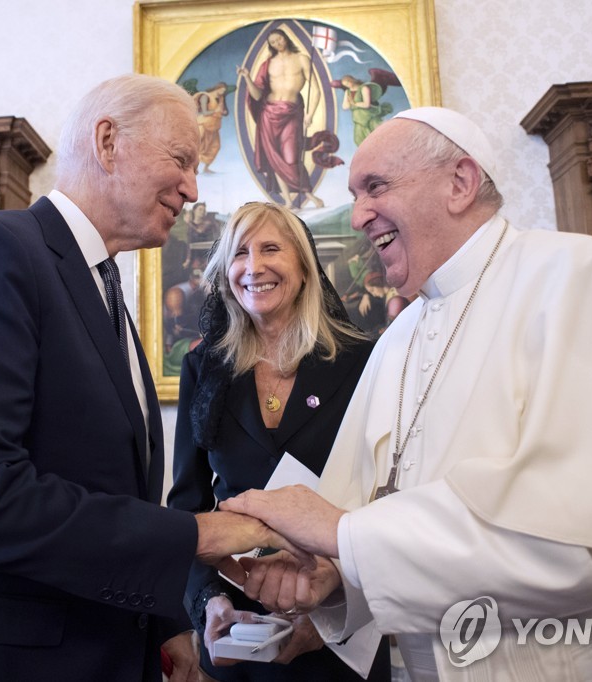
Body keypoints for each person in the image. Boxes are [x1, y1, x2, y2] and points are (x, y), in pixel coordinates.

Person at [221, 107, 592, 680]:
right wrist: (337, 577)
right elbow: (378, 521)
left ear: (460, 182)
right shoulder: (396, 339)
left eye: (375, 186)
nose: (359, 215)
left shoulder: (584, 278)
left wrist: (345, 536)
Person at [0, 74, 302, 682]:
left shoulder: (107, 293)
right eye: (180, 160)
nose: (193, 188)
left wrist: (164, 623)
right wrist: (194, 534)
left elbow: (106, 491)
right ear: (107, 142)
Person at [167, 201, 390, 681]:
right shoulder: (203, 369)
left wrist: (334, 606)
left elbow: (387, 494)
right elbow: (188, 504)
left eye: (271, 248)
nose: (254, 266)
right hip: (238, 633)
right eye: (240, 253)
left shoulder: (365, 360)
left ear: (305, 268)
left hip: (340, 623)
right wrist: (211, 602)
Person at [237, 29, 325, 209]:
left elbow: (315, 90)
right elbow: (256, 95)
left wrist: (310, 114)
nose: (278, 43)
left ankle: (308, 194)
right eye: (273, 42)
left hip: (291, 113)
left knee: (291, 156)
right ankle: (287, 200)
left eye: (279, 39)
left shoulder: (302, 59)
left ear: (286, 38)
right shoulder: (268, 64)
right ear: (271, 45)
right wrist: (247, 77)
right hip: (268, 114)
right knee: (273, 157)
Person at [195, 82, 231, 174]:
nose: (223, 92)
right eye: (222, 90)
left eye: (224, 91)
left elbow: (224, 112)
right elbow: (204, 112)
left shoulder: (221, 98)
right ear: (218, 88)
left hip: (214, 126)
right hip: (203, 125)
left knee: (215, 147)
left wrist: (224, 112)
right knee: (198, 147)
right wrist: (216, 111)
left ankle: (206, 168)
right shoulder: (205, 97)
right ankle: (193, 168)